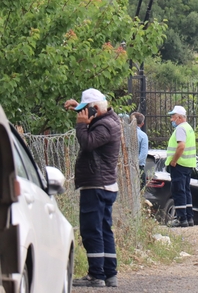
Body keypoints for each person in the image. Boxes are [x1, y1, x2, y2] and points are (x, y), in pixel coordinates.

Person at [64, 88, 121, 288]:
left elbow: (88, 142)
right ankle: (109, 274)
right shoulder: (107, 120)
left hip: (96, 184)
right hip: (103, 184)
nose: (82, 114)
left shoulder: (104, 126)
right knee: (104, 229)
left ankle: (97, 274)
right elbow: (92, 121)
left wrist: (80, 126)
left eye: (84, 109)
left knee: (92, 230)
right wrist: (76, 107)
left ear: (95, 109)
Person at [166, 105, 197, 227]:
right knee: (186, 191)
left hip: (179, 164)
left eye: (173, 117)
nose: (171, 119)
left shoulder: (180, 129)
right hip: (188, 164)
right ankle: (189, 218)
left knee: (178, 191)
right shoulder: (189, 128)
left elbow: (181, 146)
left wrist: (174, 161)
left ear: (179, 117)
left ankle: (181, 218)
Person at [131, 112, 149, 188]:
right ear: (142, 123)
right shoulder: (143, 136)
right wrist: (136, 163)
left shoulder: (123, 133)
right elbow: (143, 154)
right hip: (138, 167)